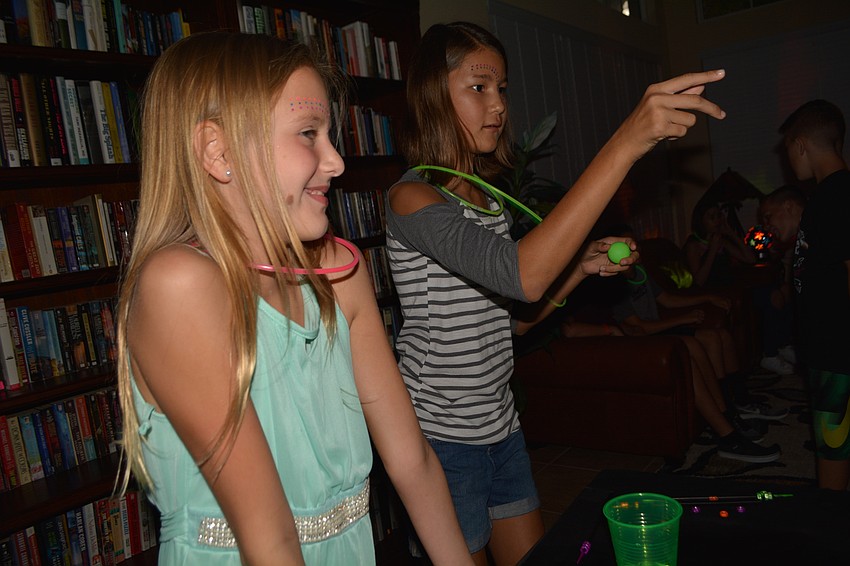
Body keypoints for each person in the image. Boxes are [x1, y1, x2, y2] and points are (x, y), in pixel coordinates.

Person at [114, 32, 474, 565]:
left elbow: (412, 460)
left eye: (329, 134)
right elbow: (270, 536)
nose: (336, 162)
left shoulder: (338, 271)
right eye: (309, 133)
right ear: (218, 151)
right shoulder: (180, 285)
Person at [385, 21, 727, 564]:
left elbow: (516, 318)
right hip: (442, 442)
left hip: (501, 427)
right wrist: (626, 142)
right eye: (478, 87)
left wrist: (580, 269)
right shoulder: (412, 198)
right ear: (432, 95)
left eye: (502, 88)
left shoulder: (488, 203)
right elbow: (521, 275)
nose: (497, 104)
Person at [608, 258, 782, 463]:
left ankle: (731, 410)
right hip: (640, 342)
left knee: (716, 336)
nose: (633, 252)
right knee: (688, 346)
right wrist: (683, 319)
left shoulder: (639, 272)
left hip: (657, 330)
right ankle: (727, 436)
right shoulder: (612, 284)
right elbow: (638, 329)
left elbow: (667, 299)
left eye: (634, 245)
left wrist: (707, 297)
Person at [778, 98, 850, 491]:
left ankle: (832, 523)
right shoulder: (827, 195)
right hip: (827, 345)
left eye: (788, 149)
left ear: (801, 144)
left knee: (833, 445)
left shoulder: (836, 195)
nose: (789, 160)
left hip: (837, 347)